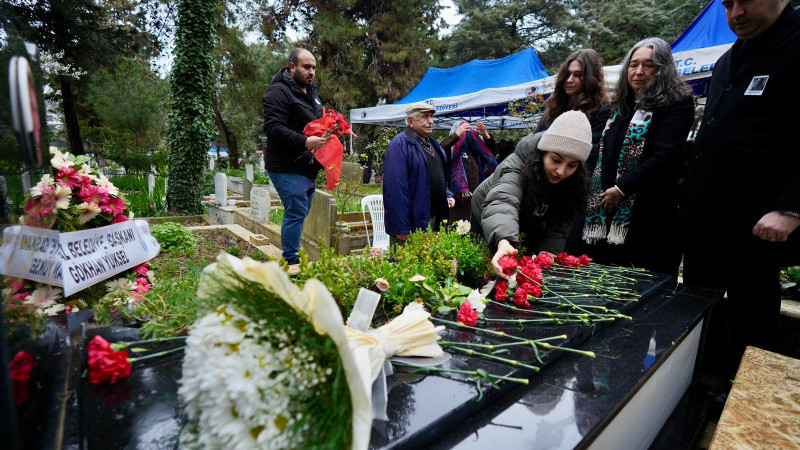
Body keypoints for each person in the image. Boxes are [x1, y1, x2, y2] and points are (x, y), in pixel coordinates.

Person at [682, 0, 800, 373]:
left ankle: (744, 401)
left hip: (757, 225)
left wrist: (790, 208)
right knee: (697, 312)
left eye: (744, 0)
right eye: (728, 4)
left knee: (753, 319)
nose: (735, 14)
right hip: (705, 220)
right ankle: (699, 388)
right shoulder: (729, 59)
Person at [565, 37, 694, 278]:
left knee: (631, 278)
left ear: (662, 69)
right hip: (603, 205)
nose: (639, 71)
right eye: (634, 65)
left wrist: (622, 188)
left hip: (644, 210)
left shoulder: (677, 103)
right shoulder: (621, 105)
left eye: (649, 65)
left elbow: (665, 155)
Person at [471, 111, 592, 278]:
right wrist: (505, 240)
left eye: (572, 165)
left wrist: (548, 252)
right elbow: (503, 202)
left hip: (528, 219)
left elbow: (560, 224)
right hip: (489, 216)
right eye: (556, 160)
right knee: (490, 272)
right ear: (542, 154)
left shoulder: (573, 181)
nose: (561, 171)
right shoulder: (516, 166)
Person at [262, 48, 327, 275]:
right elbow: (273, 128)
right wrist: (305, 141)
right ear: (292, 67)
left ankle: (292, 255)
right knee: (296, 210)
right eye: (306, 67)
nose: (311, 72)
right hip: (286, 166)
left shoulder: (312, 93)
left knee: (301, 210)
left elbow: (316, 121)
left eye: (314, 68)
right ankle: (291, 260)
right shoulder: (278, 92)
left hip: (307, 167)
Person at [383, 103, 455, 248]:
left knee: (428, 265)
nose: (431, 121)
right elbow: (395, 189)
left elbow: (439, 174)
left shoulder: (434, 145)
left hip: (433, 218)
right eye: (424, 117)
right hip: (411, 222)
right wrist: (401, 226)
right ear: (410, 121)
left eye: (431, 116)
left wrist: (447, 193)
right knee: (406, 266)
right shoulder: (399, 145)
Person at [536, 48, 611, 170]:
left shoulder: (602, 109)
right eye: (567, 74)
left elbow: (591, 153)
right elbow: (537, 139)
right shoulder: (555, 105)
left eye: (577, 75)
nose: (569, 80)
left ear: (591, 78)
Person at [440, 121, 498, 222]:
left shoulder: (476, 151)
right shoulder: (452, 152)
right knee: (458, 228)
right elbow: (441, 148)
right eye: (464, 132)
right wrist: (457, 135)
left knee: (474, 229)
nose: (467, 135)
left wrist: (485, 134)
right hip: (458, 199)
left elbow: (493, 153)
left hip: (477, 197)